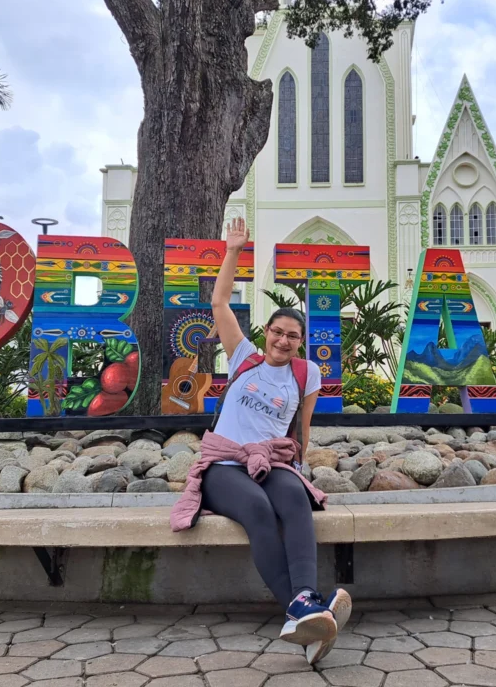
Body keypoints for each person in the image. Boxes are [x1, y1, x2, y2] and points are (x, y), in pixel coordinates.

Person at [169, 216, 351, 664]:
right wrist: (233, 250)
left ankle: (305, 607)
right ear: (266, 334)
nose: (283, 340)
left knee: (292, 497)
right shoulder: (244, 356)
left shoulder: (307, 375)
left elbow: (301, 431)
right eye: (277, 332)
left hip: (273, 462)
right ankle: (302, 610)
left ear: (301, 342)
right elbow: (219, 303)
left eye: (293, 336)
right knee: (256, 508)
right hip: (224, 464)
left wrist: (301, 467)